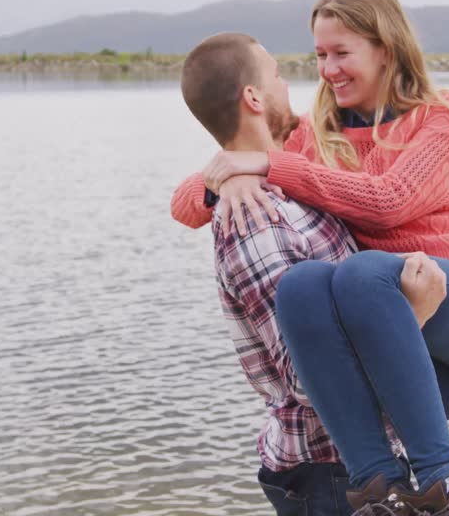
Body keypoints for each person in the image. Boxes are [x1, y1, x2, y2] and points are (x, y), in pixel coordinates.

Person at [172, 0, 449, 516]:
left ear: (385, 48)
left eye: (342, 53)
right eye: (319, 55)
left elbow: (388, 202)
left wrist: (267, 165)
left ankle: (445, 484)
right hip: (398, 312)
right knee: (304, 285)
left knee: (359, 274)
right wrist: (226, 180)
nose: (327, 69)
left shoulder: (436, 115)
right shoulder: (313, 135)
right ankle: (378, 488)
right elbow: (185, 204)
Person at [178, 31, 426, 515]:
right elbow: (308, 376)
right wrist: (412, 317)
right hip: (328, 472)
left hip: (351, 460)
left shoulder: (283, 181)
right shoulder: (254, 220)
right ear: (253, 97)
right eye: (276, 75)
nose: (289, 84)